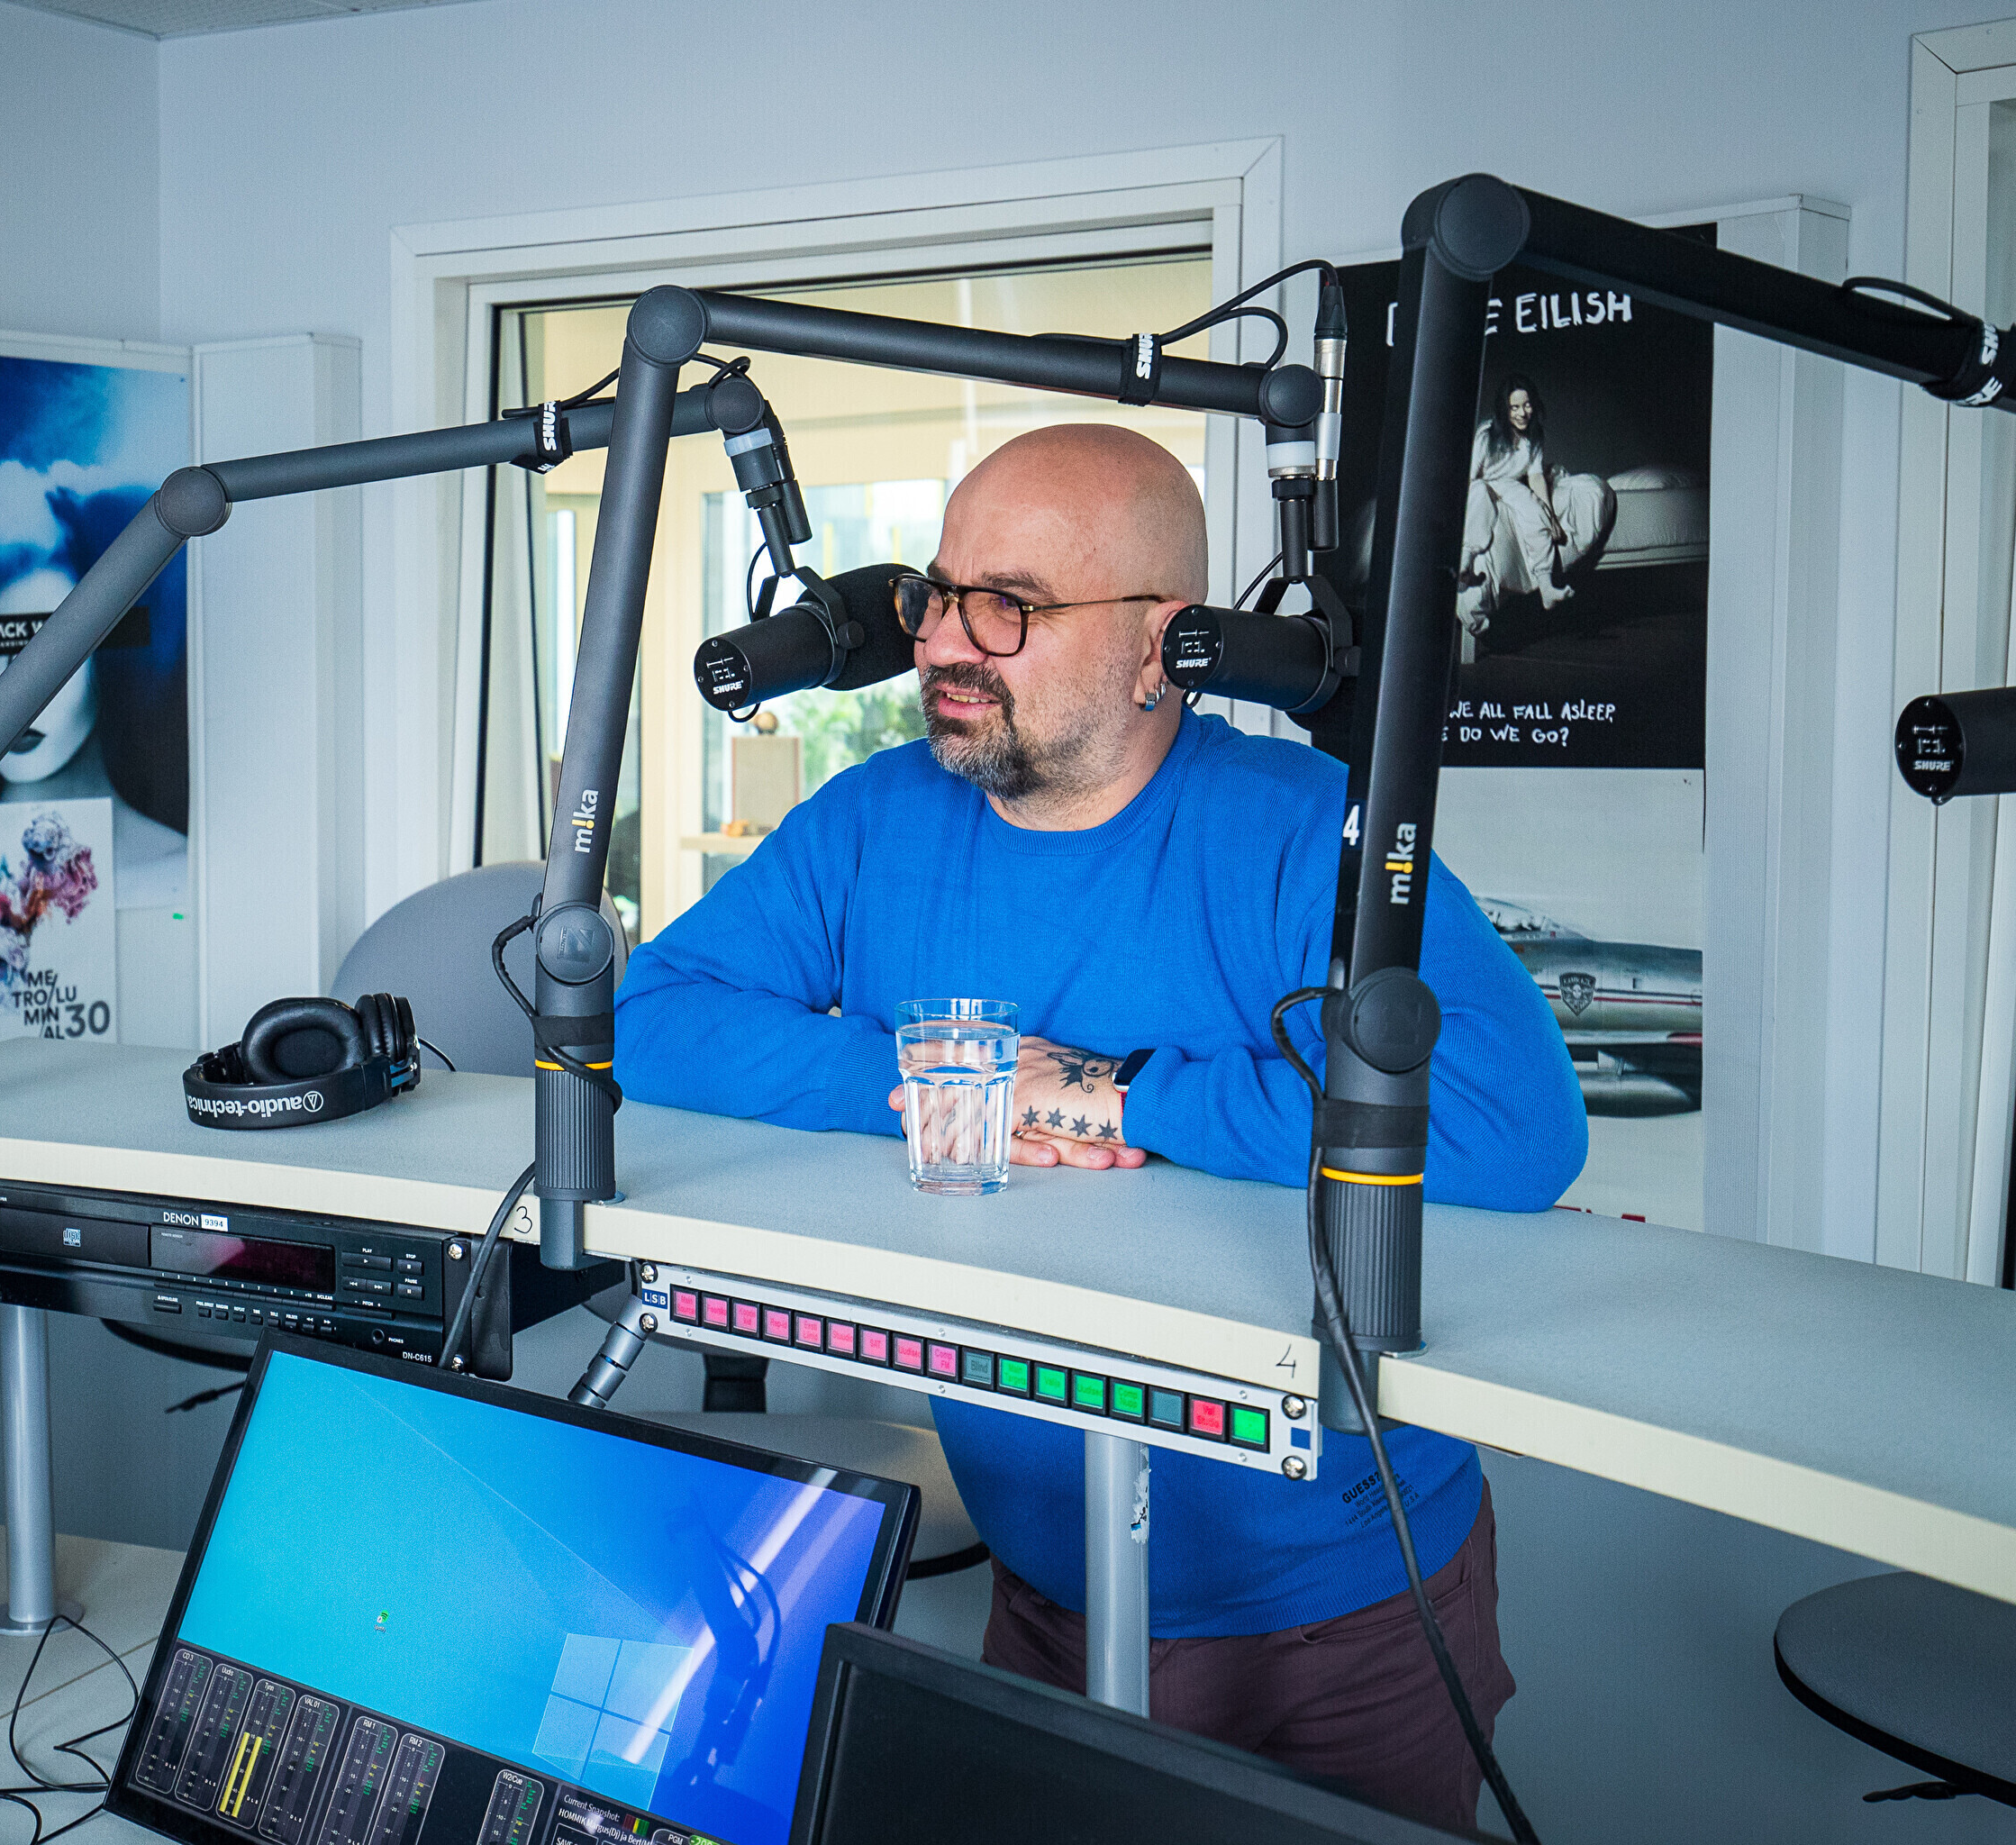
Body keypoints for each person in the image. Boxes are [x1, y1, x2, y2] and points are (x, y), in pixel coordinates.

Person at [615, 423, 1586, 1831]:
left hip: (1340, 1619)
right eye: (938, 593)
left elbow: (1515, 1124)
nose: (943, 641)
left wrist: (1118, 1091)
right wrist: (947, 1080)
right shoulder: (876, 819)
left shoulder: (1301, 830)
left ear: (1157, 649)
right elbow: (651, 1013)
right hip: (1051, 1590)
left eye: (1008, 605)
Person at [1458, 376, 1610, 646]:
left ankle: (1546, 587)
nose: (1522, 413)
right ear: (1504, 409)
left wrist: (1550, 516)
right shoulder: (1486, 435)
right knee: (1479, 494)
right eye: (1514, 407)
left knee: (1534, 510)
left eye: (1526, 405)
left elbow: (1536, 476)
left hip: (1510, 484)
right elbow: (1470, 477)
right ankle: (1465, 561)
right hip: (1482, 482)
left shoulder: (1535, 436)